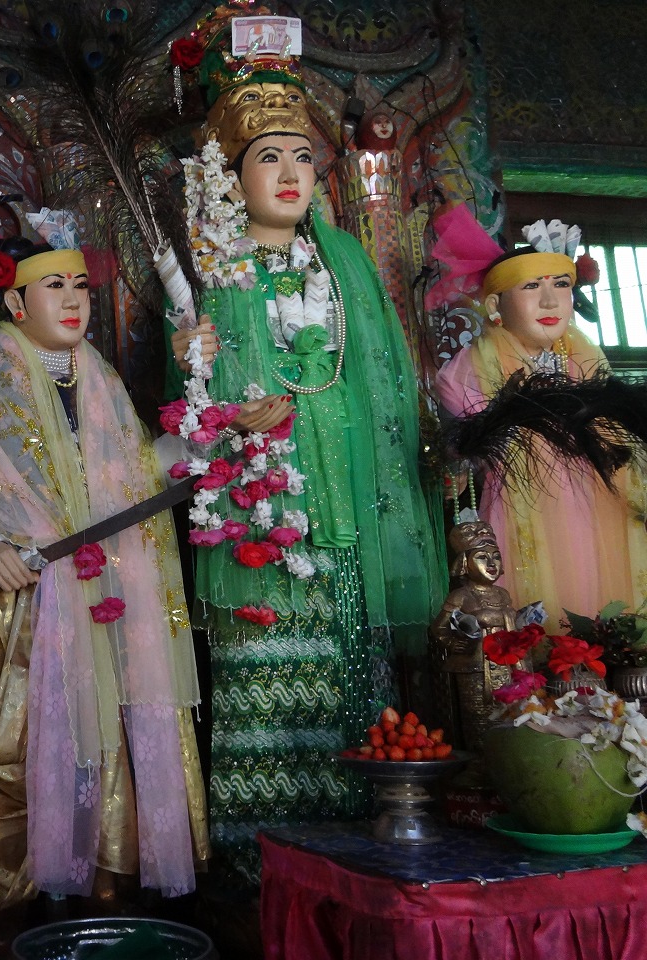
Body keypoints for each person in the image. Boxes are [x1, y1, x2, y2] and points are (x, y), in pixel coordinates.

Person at [162, 8, 444, 888]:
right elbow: (189, 416)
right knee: (267, 674)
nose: (289, 174)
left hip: (347, 495)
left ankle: (361, 858)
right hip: (266, 501)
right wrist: (200, 374)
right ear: (231, 175)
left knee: (354, 677)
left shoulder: (343, 262)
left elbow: (380, 381)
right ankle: (262, 865)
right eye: (267, 158)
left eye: (302, 158)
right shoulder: (215, 270)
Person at [0, 230, 207, 922]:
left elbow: (133, 475)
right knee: (21, 724)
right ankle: (21, 880)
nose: (72, 300)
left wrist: (197, 434)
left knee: (109, 711)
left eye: (80, 286)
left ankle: (99, 865)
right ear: (15, 302)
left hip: (98, 577)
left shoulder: (97, 375)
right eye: (54, 286)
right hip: (18, 584)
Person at [432, 209, 647, 624]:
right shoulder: (467, 372)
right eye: (531, 286)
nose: (550, 301)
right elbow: (464, 460)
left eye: (561, 284)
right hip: (528, 516)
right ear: (494, 304)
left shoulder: (587, 358)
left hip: (604, 514)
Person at [427, 519, 518, 750]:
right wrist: (452, 643)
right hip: (476, 667)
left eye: (496, 556)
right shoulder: (461, 596)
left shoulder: (503, 594)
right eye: (482, 557)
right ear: (464, 563)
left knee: (510, 714)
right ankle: (479, 760)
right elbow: (438, 628)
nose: (491, 563)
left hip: (507, 665)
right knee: (479, 717)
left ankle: (506, 758)